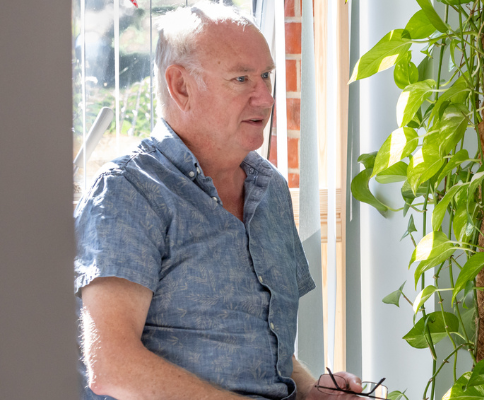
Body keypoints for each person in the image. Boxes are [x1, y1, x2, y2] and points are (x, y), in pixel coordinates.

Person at [74, 3, 365, 399]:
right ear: (181, 87)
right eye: (242, 78)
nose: (264, 99)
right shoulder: (128, 192)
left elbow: (263, 347)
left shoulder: (271, 189)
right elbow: (112, 366)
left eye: (266, 76)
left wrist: (314, 391)